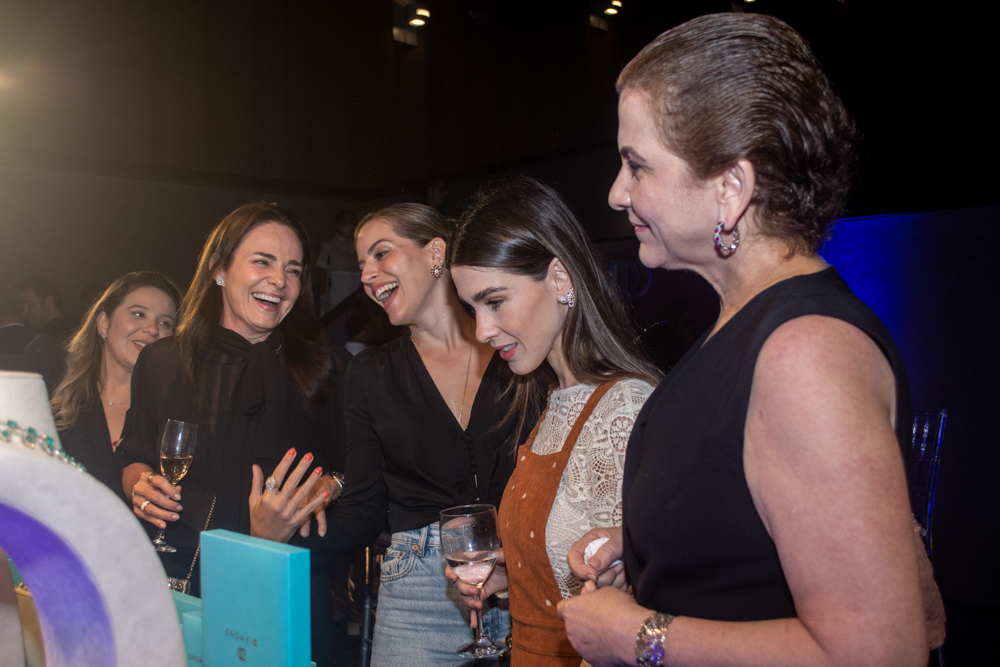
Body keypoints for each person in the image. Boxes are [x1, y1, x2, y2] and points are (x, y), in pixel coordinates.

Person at [556, 13, 930, 667]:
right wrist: (653, 544)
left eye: (636, 165)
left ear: (732, 187)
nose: (617, 193)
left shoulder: (806, 351)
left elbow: (878, 652)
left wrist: (637, 635)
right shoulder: (744, 326)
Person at [446, 177, 661, 666]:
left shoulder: (622, 408)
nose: (482, 330)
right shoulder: (553, 403)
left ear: (561, 279)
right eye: (472, 308)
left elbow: (629, 608)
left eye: (495, 301)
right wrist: (513, 579)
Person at [118, 202, 344, 665]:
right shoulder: (162, 361)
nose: (279, 280)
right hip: (181, 581)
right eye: (263, 261)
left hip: (283, 584)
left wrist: (330, 485)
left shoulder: (324, 370)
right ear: (220, 269)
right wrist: (140, 487)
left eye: (293, 269)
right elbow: (133, 456)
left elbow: (354, 468)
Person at [331, 203, 528, 666]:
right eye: (361, 265)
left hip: (527, 579)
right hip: (419, 594)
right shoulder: (369, 374)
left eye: (381, 254)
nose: (367, 275)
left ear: (435, 252)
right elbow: (363, 510)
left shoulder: (516, 351)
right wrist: (287, 532)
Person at [50, 272, 181, 494]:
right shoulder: (55, 402)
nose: (152, 329)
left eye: (165, 323)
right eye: (138, 314)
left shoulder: (176, 415)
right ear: (103, 322)